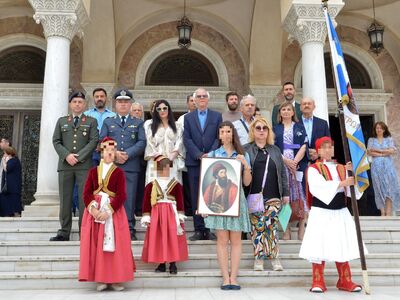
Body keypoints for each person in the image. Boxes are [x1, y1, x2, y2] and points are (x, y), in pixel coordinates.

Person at [299, 136, 363, 293]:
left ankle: (345, 280)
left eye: (330, 147)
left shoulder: (342, 168)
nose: (328, 150)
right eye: (324, 147)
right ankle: (318, 281)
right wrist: (342, 183)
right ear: (319, 151)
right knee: (319, 244)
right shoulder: (313, 169)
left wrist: (352, 174)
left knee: (341, 243)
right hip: (321, 212)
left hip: (340, 211)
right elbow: (317, 188)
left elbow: (352, 192)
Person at [79, 137, 135, 291]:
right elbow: (86, 193)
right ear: (101, 152)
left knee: (115, 246)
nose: (110, 153)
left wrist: (109, 210)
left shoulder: (119, 173)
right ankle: (101, 278)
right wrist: (94, 210)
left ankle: (116, 279)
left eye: (112, 151)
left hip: (113, 213)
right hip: (95, 214)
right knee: (97, 246)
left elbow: (122, 195)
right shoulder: (92, 172)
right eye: (107, 151)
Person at [203, 121, 252, 290]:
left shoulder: (242, 154)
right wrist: (204, 205)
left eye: (228, 131)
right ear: (219, 134)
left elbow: (247, 182)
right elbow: (207, 182)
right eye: (222, 131)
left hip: (237, 200)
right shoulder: (213, 154)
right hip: (218, 202)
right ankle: (225, 278)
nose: (225, 134)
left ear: (233, 134)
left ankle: (234, 277)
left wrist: (245, 166)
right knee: (222, 240)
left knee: (236, 241)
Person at [50, 91, 99, 241]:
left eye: (80, 102)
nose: (77, 104)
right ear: (70, 104)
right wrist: (67, 155)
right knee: (65, 199)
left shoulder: (91, 121)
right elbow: (56, 141)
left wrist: (79, 157)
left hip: (84, 166)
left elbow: (93, 141)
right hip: (65, 165)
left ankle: (84, 232)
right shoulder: (62, 121)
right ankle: (64, 232)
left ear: (84, 105)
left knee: (84, 200)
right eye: (75, 102)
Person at [100, 88, 146, 240]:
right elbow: (102, 141)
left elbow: (141, 142)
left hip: (131, 165)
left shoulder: (138, 123)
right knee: (111, 197)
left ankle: (129, 228)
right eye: (120, 102)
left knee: (129, 198)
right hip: (112, 166)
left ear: (130, 104)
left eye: (126, 102)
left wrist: (128, 154)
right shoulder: (109, 122)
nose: (123, 105)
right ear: (115, 103)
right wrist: (115, 154)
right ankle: (112, 227)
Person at [244, 117, 289, 271]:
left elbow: (283, 172)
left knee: (272, 227)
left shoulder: (275, 150)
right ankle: (259, 259)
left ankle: (275, 258)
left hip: (274, 195)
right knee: (258, 228)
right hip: (254, 196)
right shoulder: (246, 149)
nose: (261, 131)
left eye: (264, 128)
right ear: (253, 131)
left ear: (269, 131)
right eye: (258, 128)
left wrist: (286, 193)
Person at [183, 87, 222, 241]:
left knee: (210, 194)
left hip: (212, 162)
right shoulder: (188, 117)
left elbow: (218, 137)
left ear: (208, 98)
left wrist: (210, 154)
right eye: (198, 96)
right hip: (194, 162)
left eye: (204, 96)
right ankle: (198, 229)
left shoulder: (216, 116)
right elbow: (187, 139)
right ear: (194, 100)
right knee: (195, 196)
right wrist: (199, 155)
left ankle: (209, 228)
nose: (201, 99)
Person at [141, 156, 188, 274]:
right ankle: (161, 263)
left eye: (167, 168)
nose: (165, 171)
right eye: (162, 168)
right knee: (159, 238)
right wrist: (147, 215)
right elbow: (146, 202)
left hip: (171, 214)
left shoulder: (176, 184)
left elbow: (180, 201)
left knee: (172, 238)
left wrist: (180, 214)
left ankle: (173, 263)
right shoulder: (151, 185)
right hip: (157, 215)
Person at [273, 102, 308, 240]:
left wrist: (295, 162)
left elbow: (304, 146)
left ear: (293, 112)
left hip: (297, 166)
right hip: (282, 166)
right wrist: (286, 162)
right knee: (284, 198)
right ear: (280, 113)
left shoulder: (300, 127)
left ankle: (301, 230)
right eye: (283, 109)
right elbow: (274, 148)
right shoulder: (275, 128)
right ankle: (286, 231)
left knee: (300, 197)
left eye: (289, 109)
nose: (286, 111)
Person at [144, 99, 184, 184]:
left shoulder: (178, 126)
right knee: (156, 190)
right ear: (155, 111)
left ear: (168, 109)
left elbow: (180, 142)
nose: (162, 111)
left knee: (172, 189)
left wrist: (171, 157)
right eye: (159, 109)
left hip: (173, 161)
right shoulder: (150, 126)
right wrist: (160, 159)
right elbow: (150, 144)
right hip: (156, 162)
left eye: (165, 108)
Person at [367, 121, 400, 216]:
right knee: (379, 189)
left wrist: (378, 151)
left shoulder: (388, 139)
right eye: (377, 128)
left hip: (388, 168)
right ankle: (382, 212)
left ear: (384, 129)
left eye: (380, 128)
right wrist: (384, 153)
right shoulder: (371, 140)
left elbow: (392, 150)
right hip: (376, 168)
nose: (379, 129)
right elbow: (369, 152)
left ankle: (388, 213)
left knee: (389, 189)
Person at [84, 88, 116, 166]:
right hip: (91, 152)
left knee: (106, 177)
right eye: (97, 96)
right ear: (93, 98)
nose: (99, 99)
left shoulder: (113, 116)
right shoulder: (86, 115)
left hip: (108, 152)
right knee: (92, 176)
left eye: (102, 96)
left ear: (106, 98)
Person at [177, 94, 197, 216]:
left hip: (201, 156)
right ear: (187, 103)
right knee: (188, 185)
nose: (194, 103)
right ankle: (189, 209)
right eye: (191, 101)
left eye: (195, 100)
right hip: (186, 155)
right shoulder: (182, 119)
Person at [299, 97, 330, 162]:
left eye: (309, 104)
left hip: (318, 162)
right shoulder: (294, 123)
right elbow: (292, 144)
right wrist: (306, 150)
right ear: (300, 107)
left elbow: (327, 144)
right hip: (299, 163)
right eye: (304, 104)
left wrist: (318, 153)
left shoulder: (323, 123)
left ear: (314, 107)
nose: (306, 105)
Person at [0, 146, 22, 217]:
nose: (4, 155)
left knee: (14, 203)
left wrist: (3, 161)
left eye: (5, 154)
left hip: (13, 187)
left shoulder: (14, 161)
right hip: (9, 187)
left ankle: (15, 214)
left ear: (9, 154)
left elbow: (7, 169)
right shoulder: (12, 161)